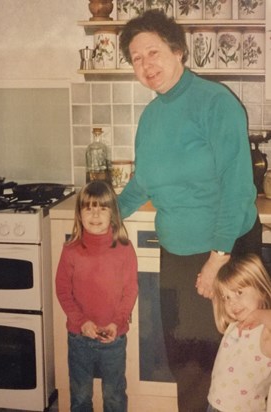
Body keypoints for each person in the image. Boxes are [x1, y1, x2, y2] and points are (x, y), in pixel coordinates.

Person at [118, 9, 262, 412]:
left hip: (226, 251)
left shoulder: (216, 103)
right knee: (185, 361)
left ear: (178, 51)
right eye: (136, 58)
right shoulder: (150, 118)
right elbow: (141, 184)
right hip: (177, 253)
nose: (146, 64)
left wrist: (216, 261)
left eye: (153, 51)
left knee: (233, 366)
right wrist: (102, 215)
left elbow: (238, 187)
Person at [55, 180, 138, 412]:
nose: (95, 214)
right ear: (79, 214)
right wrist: (81, 322)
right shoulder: (71, 249)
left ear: (112, 213)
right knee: (80, 396)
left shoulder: (124, 248)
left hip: (114, 336)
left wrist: (117, 322)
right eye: (88, 208)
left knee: (114, 396)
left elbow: (130, 291)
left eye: (102, 207)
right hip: (79, 338)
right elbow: (63, 290)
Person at [207, 254, 271, 412]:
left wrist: (258, 315)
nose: (231, 302)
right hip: (215, 404)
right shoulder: (234, 325)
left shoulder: (264, 332)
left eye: (239, 293)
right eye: (226, 297)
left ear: (261, 290)